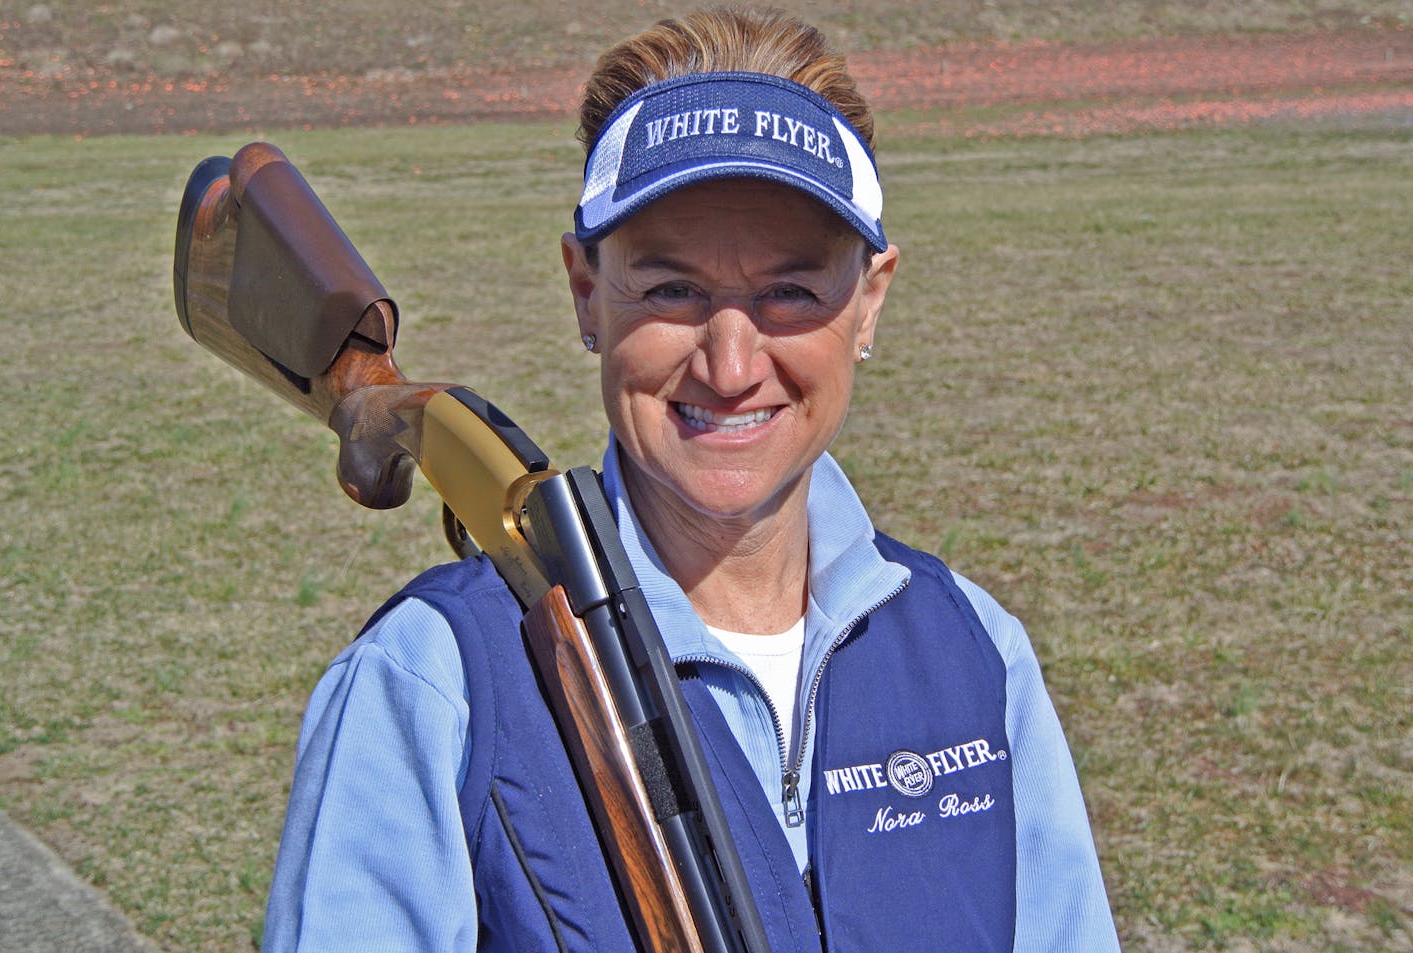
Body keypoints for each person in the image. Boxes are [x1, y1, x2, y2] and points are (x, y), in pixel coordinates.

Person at [262, 7, 1120, 951]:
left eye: (792, 292)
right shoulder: (432, 682)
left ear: (870, 301)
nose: (731, 361)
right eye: (672, 289)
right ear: (586, 291)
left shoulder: (974, 654)